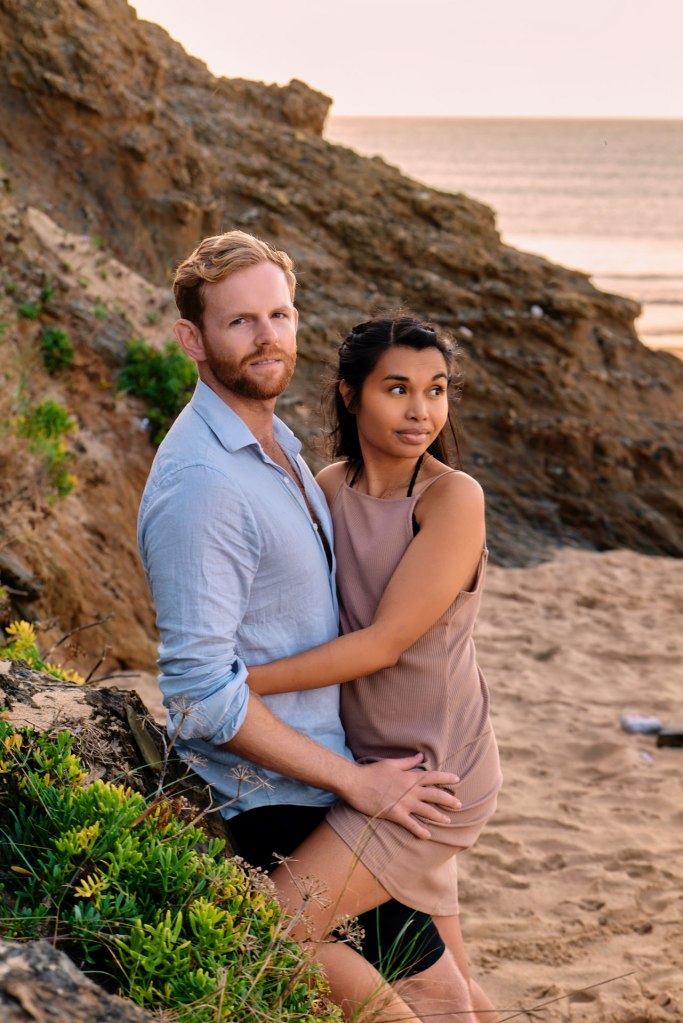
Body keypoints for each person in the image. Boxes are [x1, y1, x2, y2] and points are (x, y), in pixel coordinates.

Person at [137, 230, 476, 1023]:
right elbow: (197, 694)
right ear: (192, 339)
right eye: (239, 321)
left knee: (449, 994)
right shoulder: (202, 483)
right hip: (277, 800)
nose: (266, 337)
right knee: (427, 1003)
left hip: (330, 782)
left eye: (279, 315)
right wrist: (356, 783)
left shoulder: (280, 449)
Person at [246, 316, 503, 1022]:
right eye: (398, 388)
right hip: (369, 764)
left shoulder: (452, 498)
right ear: (349, 394)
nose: (421, 410)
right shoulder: (329, 487)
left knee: (271, 925)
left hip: (433, 774)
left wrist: (239, 685)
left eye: (436, 390)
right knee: (452, 981)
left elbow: (384, 642)